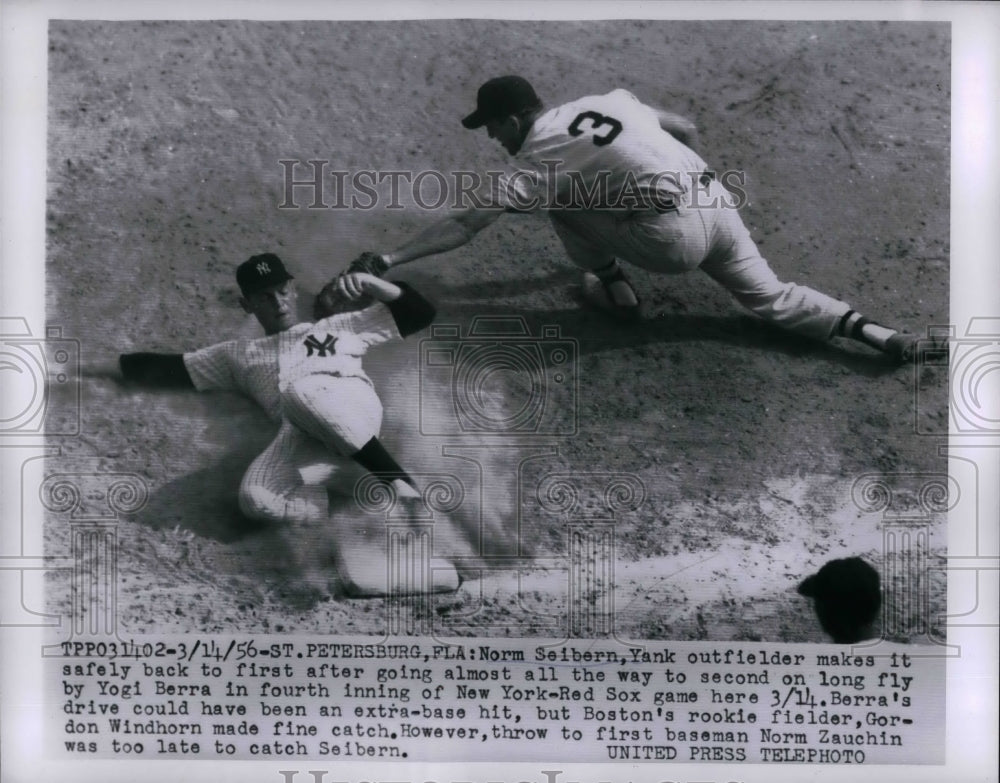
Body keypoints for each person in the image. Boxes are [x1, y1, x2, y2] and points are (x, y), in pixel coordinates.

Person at [349, 75, 928, 363]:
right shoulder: (611, 100)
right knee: (770, 294)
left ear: (516, 116)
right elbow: (685, 128)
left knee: (557, 201)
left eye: (493, 125)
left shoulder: (539, 153)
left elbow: (467, 225)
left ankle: (618, 293)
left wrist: (393, 260)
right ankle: (880, 336)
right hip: (717, 205)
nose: (493, 137)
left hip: (670, 241)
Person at [97, 253, 438, 595]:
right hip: (304, 437)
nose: (277, 302)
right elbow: (162, 368)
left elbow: (419, 312)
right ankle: (345, 530)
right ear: (247, 305)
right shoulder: (236, 355)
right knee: (255, 497)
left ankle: (401, 485)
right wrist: (83, 365)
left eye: (281, 290)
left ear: (292, 289)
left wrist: (372, 283)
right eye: (264, 296)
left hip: (352, 409)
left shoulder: (338, 326)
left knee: (299, 392)